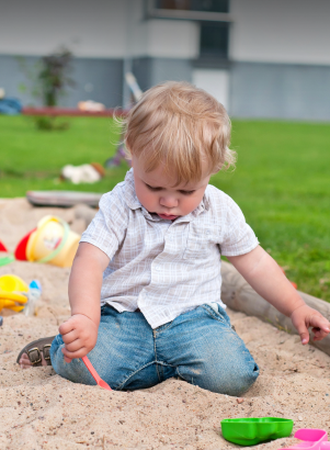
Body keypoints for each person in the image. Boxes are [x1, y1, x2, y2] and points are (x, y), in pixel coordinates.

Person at [17, 81, 330, 395]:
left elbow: (256, 262)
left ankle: (163, 365)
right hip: (125, 319)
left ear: (216, 167)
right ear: (131, 153)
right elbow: (89, 260)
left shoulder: (219, 210)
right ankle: (65, 344)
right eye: (153, 187)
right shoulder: (120, 203)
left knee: (234, 378)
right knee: (79, 363)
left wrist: (295, 308)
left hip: (194, 320)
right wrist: (86, 317)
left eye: (186, 191)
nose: (169, 201)